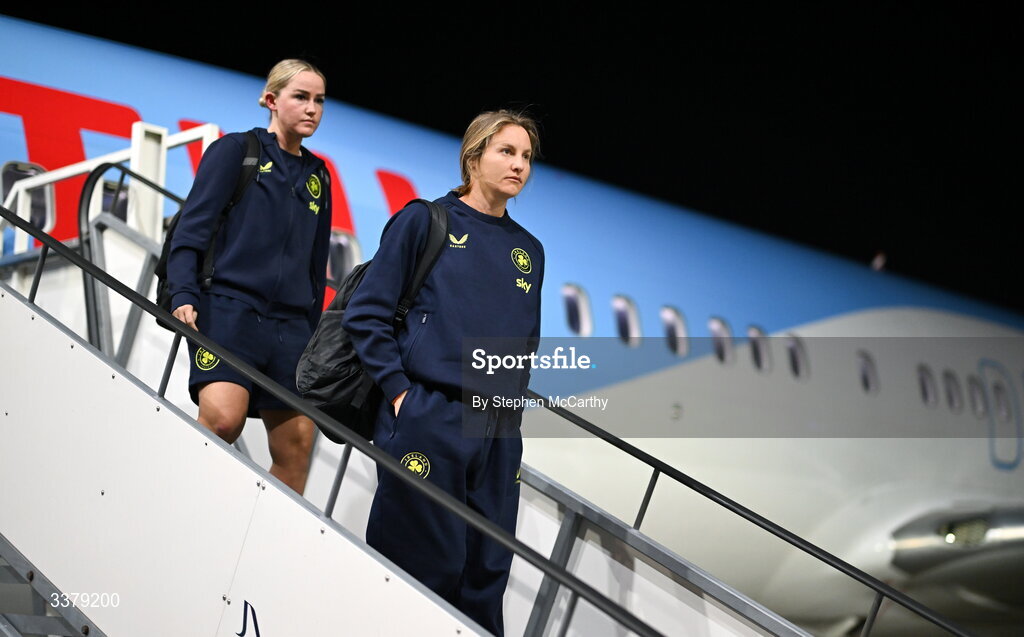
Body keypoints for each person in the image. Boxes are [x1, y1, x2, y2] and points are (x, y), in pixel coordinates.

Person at [343, 110, 543, 635]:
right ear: (473, 157)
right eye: (506, 151)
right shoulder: (426, 221)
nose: (519, 165)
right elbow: (367, 313)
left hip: (498, 433)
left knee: (483, 581)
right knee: (416, 571)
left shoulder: (529, 251)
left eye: (526, 156)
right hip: (429, 415)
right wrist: (400, 394)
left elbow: (525, 343)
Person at [166, 59, 331, 495]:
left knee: (297, 445)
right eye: (301, 97)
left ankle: (255, 555)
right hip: (229, 311)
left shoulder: (319, 176)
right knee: (222, 419)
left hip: (290, 329)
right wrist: (182, 292)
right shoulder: (236, 150)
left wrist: (313, 339)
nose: (312, 108)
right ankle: (178, 512)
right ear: (271, 100)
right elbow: (191, 231)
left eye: (319, 100)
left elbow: (317, 269)